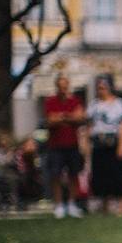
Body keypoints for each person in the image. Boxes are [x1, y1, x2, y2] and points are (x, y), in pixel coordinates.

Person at [87, 75, 122, 216]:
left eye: (103, 87)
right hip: (98, 144)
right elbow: (89, 125)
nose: (101, 90)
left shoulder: (118, 103)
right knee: (101, 174)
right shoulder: (94, 105)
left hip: (113, 142)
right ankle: (104, 204)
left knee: (117, 174)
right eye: (99, 88)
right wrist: (86, 143)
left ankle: (121, 205)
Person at [44, 74, 85, 219]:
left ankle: (72, 204)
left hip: (72, 144)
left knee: (74, 174)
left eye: (65, 86)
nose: (63, 89)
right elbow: (50, 120)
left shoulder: (75, 101)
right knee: (56, 175)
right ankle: (59, 205)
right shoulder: (50, 101)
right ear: (57, 87)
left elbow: (80, 117)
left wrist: (60, 117)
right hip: (55, 146)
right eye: (60, 86)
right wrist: (68, 117)